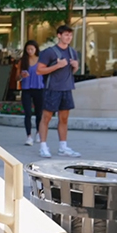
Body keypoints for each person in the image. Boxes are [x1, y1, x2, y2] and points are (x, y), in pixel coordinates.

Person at [36, 25, 81, 158]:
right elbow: (39, 70)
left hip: (67, 89)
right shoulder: (49, 52)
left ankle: (63, 147)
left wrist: (76, 67)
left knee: (64, 119)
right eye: (66, 35)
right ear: (59, 36)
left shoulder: (73, 52)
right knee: (46, 118)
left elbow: (70, 71)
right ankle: (43, 147)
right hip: (52, 89)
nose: (69, 37)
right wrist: (57, 65)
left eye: (70, 35)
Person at [18, 41, 45, 146]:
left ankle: (38, 132)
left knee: (39, 113)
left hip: (39, 88)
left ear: (36, 49)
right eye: (28, 49)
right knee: (28, 113)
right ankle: (29, 136)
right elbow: (16, 77)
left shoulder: (41, 60)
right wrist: (21, 75)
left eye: (32, 49)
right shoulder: (23, 61)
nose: (30, 51)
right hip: (26, 89)